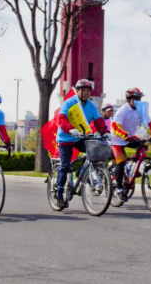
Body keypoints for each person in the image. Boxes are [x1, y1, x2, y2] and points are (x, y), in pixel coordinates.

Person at [54, 79, 109, 208]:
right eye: (84, 90)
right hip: (65, 139)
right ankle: (59, 194)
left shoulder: (91, 105)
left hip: (81, 137)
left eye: (88, 91)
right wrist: (70, 129)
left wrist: (105, 131)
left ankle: (81, 172)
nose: (86, 93)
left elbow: (99, 120)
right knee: (65, 165)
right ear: (77, 91)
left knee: (94, 153)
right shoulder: (69, 102)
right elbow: (61, 119)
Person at [110, 88, 151, 202]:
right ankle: (119, 189)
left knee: (143, 145)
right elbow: (114, 126)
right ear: (129, 99)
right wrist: (124, 135)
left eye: (140, 99)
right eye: (136, 99)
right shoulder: (122, 110)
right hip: (118, 141)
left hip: (131, 138)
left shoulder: (141, 110)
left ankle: (133, 169)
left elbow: (149, 123)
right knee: (121, 161)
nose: (139, 101)